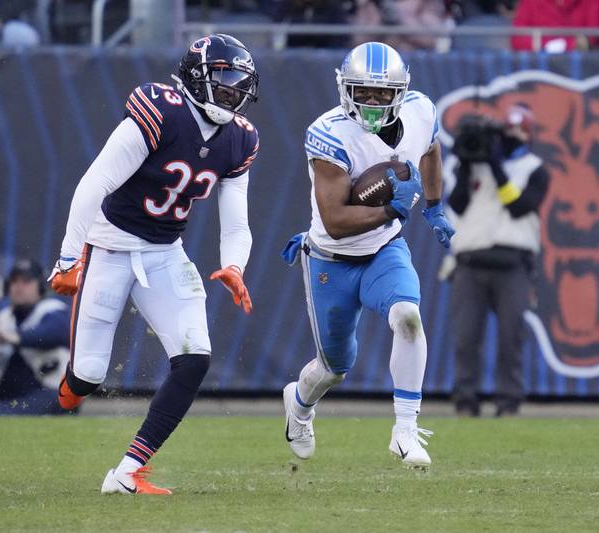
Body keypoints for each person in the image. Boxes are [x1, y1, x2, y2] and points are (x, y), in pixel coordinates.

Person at [48, 34, 259, 495]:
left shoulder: (239, 138)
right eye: (223, 78)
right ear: (196, 76)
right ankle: (67, 386)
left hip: (165, 252)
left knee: (195, 359)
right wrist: (69, 256)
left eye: (239, 82)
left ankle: (127, 471)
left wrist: (234, 266)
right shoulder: (161, 109)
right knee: (86, 377)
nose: (233, 91)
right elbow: (95, 181)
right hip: (109, 246)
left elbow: (237, 222)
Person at [280, 42, 454, 468]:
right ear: (345, 89)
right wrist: (393, 208)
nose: (373, 102)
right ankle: (299, 406)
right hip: (331, 259)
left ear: (401, 91)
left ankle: (405, 431)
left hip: (383, 250)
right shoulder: (330, 132)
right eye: (363, 92)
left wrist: (433, 207)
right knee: (334, 368)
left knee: (408, 318)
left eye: (382, 93)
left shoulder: (419, 111)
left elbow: (430, 149)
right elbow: (336, 219)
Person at [445, 105, 550, 417]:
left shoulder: (534, 168)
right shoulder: (475, 163)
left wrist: (496, 166)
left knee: (510, 337)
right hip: (470, 261)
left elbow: (518, 207)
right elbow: (458, 204)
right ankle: (465, 402)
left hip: (512, 263)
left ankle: (508, 402)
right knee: (465, 337)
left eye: (518, 131)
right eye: (507, 131)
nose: (510, 137)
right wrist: (466, 163)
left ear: (528, 136)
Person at [0, 259, 71, 415]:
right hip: (13, 396)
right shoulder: (5, 316)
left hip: (52, 393)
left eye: (27, 281)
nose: (19, 287)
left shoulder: (52, 309)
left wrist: (13, 337)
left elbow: (56, 332)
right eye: (14, 281)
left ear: (41, 285)